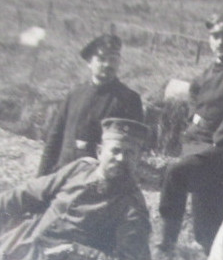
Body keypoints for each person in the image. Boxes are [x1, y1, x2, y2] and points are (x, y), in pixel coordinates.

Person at [0, 118, 151, 260]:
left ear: (138, 159)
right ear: (100, 151)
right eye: (116, 151)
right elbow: (22, 195)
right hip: (21, 237)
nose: (121, 159)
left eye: (130, 153)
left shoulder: (132, 206)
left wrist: (77, 253)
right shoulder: (79, 169)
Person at [158, 13, 223, 253]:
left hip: (220, 151)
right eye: (214, 36)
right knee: (207, 224)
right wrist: (194, 117)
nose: (219, 41)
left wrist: (217, 139)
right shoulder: (212, 69)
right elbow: (194, 90)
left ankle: (166, 245)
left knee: (175, 174)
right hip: (196, 146)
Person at [37, 33, 144, 176]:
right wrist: (41, 178)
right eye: (101, 59)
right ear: (89, 62)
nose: (108, 64)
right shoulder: (75, 95)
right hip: (63, 173)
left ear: (119, 62)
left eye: (113, 59)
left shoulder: (129, 99)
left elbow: (132, 150)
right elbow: (54, 140)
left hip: (99, 178)